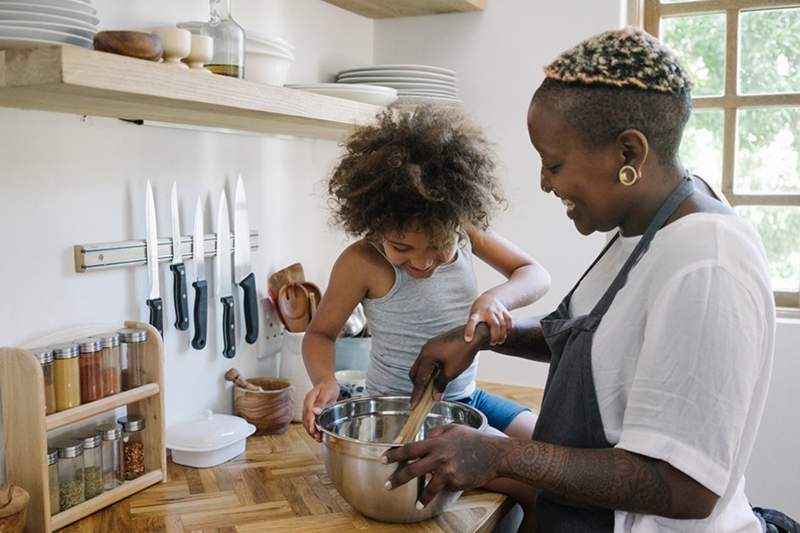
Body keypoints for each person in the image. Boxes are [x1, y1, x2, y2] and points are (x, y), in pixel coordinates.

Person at [384, 27, 784, 533]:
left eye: (554, 163)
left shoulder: (708, 263)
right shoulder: (645, 228)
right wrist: (484, 338)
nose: (545, 183)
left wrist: (502, 457)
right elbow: (594, 344)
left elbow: (685, 487)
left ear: (629, 155)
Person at [301, 108, 550, 445]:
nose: (421, 262)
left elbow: (535, 274)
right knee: (518, 467)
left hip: (468, 399)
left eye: (437, 246)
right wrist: (325, 380)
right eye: (401, 247)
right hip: (399, 412)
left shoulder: (466, 232)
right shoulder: (360, 262)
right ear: (375, 226)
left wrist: (494, 299)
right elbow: (320, 334)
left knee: (549, 445)